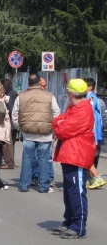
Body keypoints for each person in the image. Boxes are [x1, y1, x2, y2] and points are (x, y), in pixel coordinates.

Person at [51, 79, 95, 239]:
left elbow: (62, 129)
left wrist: (59, 124)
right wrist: (59, 123)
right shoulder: (74, 107)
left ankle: (78, 226)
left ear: (71, 92)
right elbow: (58, 121)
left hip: (77, 155)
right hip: (70, 154)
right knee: (70, 192)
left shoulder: (82, 110)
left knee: (76, 192)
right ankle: (69, 222)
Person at [12, 74, 60, 193]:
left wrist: (20, 128)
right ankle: (44, 186)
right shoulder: (49, 96)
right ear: (39, 83)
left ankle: (24, 185)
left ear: (28, 83)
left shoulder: (21, 96)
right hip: (45, 133)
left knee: (27, 159)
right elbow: (57, 113)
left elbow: (14, 115)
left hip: (28, 133)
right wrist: (52, 128)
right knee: (44, 160)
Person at [30, 78, 55, 186]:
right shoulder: (29, 97)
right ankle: (35, 177)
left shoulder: (49, 97)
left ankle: (48, 177)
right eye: (43, 85)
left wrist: (53, 127)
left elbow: (56, 112)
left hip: (46, 131)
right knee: (35, 156)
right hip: (32, 131)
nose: (45, 87)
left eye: (45, 85)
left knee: (47, 156)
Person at [83, 77, 106, 189]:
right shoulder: (92, 99)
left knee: (87, 157)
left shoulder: (91, 99)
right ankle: (90, 179)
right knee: (89, 157)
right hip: (95, 133)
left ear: (90, 87)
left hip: (92, 133)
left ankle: (96, 178)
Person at [0, 78, 18, 169]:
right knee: (12, 143)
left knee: (7, 143)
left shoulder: (9, 95)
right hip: (14, 122)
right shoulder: (14, 93)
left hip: (9, 122)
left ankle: (9, 162)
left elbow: (9, 108)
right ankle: (10, 160)